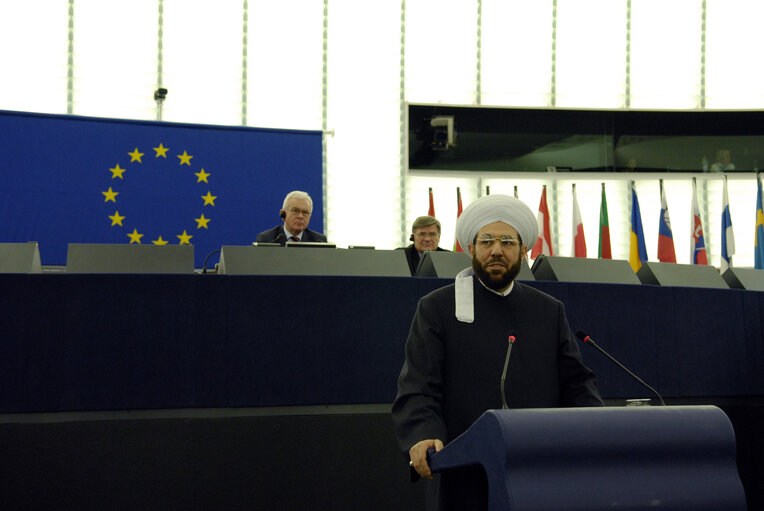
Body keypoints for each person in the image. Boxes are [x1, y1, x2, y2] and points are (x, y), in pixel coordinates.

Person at [391, 194, 603, 511]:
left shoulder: (547, 310)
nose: (496, 251)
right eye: (487, 241)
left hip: (538, 470)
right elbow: (418, 386)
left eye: (507, 242)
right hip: (463, 473)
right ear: (471, 248)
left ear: (523, 251)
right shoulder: (438, 308)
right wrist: (423, 434)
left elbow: (576, 384)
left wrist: (602, 428)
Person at [255, 190, 327, 244]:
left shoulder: (319, 241)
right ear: (283, 214)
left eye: (305, 212)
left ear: (309, 217)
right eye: (295, 211)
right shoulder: (268, 239)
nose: (300, 216)